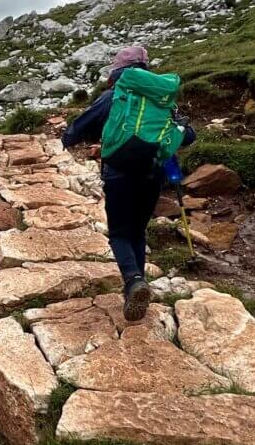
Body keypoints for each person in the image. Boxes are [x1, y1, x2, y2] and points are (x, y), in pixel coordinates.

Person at [62, 46, 195, 321]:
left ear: (117, 71)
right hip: (153, 173)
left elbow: (81, 125)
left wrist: (64, 141)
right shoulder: (162, 99)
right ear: (146, 68)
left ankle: (134, 281)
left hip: (119, 172)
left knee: (119, 233)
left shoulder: (115, 95)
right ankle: (138, 284)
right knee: (137, 230)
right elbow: (188, 135)